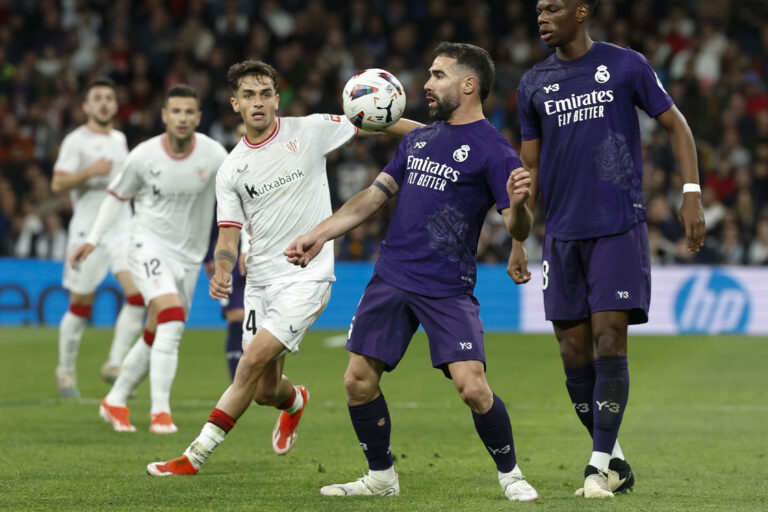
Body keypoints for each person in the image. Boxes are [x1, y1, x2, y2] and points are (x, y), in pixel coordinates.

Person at [285, 42, 539, 501]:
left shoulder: (495, 152)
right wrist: (321, 233)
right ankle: (381, 477)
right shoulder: (419, 138)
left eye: (437, 75)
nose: (425, 83)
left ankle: (512, 475)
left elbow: (517, 223)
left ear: (468, 84)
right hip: (392, 276)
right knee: (356, 380)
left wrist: (519, 208)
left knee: (473, 387)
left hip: (447, 287)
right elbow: (373, 196)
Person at [146, 60, 421, 476]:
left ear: (277, 98)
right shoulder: (231, 170)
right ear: (235, 104)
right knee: (263, 391)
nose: (258, 102)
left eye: (265, 93)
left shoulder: (309, 130)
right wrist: (222, 268)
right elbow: (227, 237)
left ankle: (193, 457)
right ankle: (294, 401)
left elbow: (375, 122)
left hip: (306, 276)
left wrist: (433, 136)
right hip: (259, 281)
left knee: (250, 360)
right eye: (248, 96)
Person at [508, 0, 706, 499]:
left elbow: (676, 125)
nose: (542, 17)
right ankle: (614, 460)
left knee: (608, 339)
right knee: (572, 350)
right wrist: (517, 236)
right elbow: (526, 170)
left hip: (618, 224)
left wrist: (691, 192)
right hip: (561, 233)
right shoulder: (532, 83)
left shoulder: (625, 65)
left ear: (581, 11)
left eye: (553, 8)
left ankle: (596, 468)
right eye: (538, 10)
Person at [71, 84, 229, 433]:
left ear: (198, 117)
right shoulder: (144, 155)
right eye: (176, 112)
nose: (183, 118)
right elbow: (115, 196)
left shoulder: (214, 154)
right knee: (171, 319)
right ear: (164, 116)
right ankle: (160, 412)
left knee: (157, 331)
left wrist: (232, 247)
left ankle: (115, 399)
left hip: (187, 257)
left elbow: (233, 198)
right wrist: (94, 239)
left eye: (190, 112)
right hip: (146, 246)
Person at [51, 77, 146, 397]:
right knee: (81, 303)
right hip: (87, 231)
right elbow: (58, 184)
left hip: (123, 229)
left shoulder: (120, 138)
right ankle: (65, 370)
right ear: (86, 106)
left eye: (109, 97)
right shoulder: (75, 141)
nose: (104, 102)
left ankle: (115, 364)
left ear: (115, 105)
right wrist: (89, 172)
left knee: (138, 295)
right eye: (98, 98)